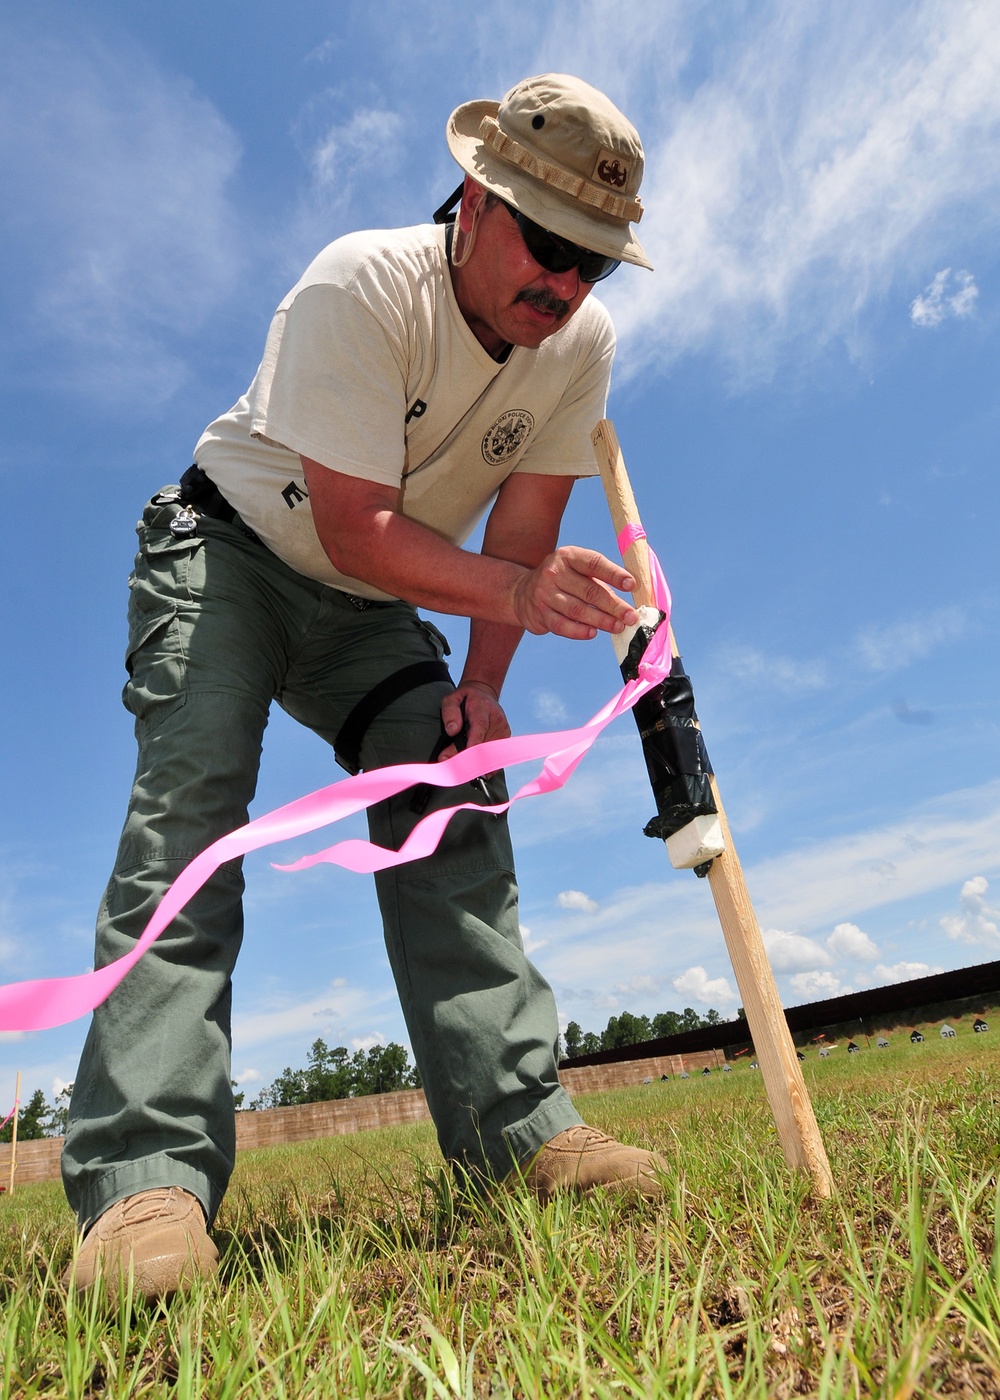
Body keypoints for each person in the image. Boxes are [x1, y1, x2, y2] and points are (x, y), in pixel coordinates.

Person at [62, 72, 667, 1301]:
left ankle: (520, 1130)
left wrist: (483, 693)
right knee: (193, 816)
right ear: (473, 199)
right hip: (230, 550)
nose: (562, 288)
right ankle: (143, 1187)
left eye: (592, 265)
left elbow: (520, 535)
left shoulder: (577, 346)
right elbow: (356, 526)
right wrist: (509, 600)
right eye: (549, 247)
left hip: (376, 601)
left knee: (451, 785)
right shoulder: (362, 280)